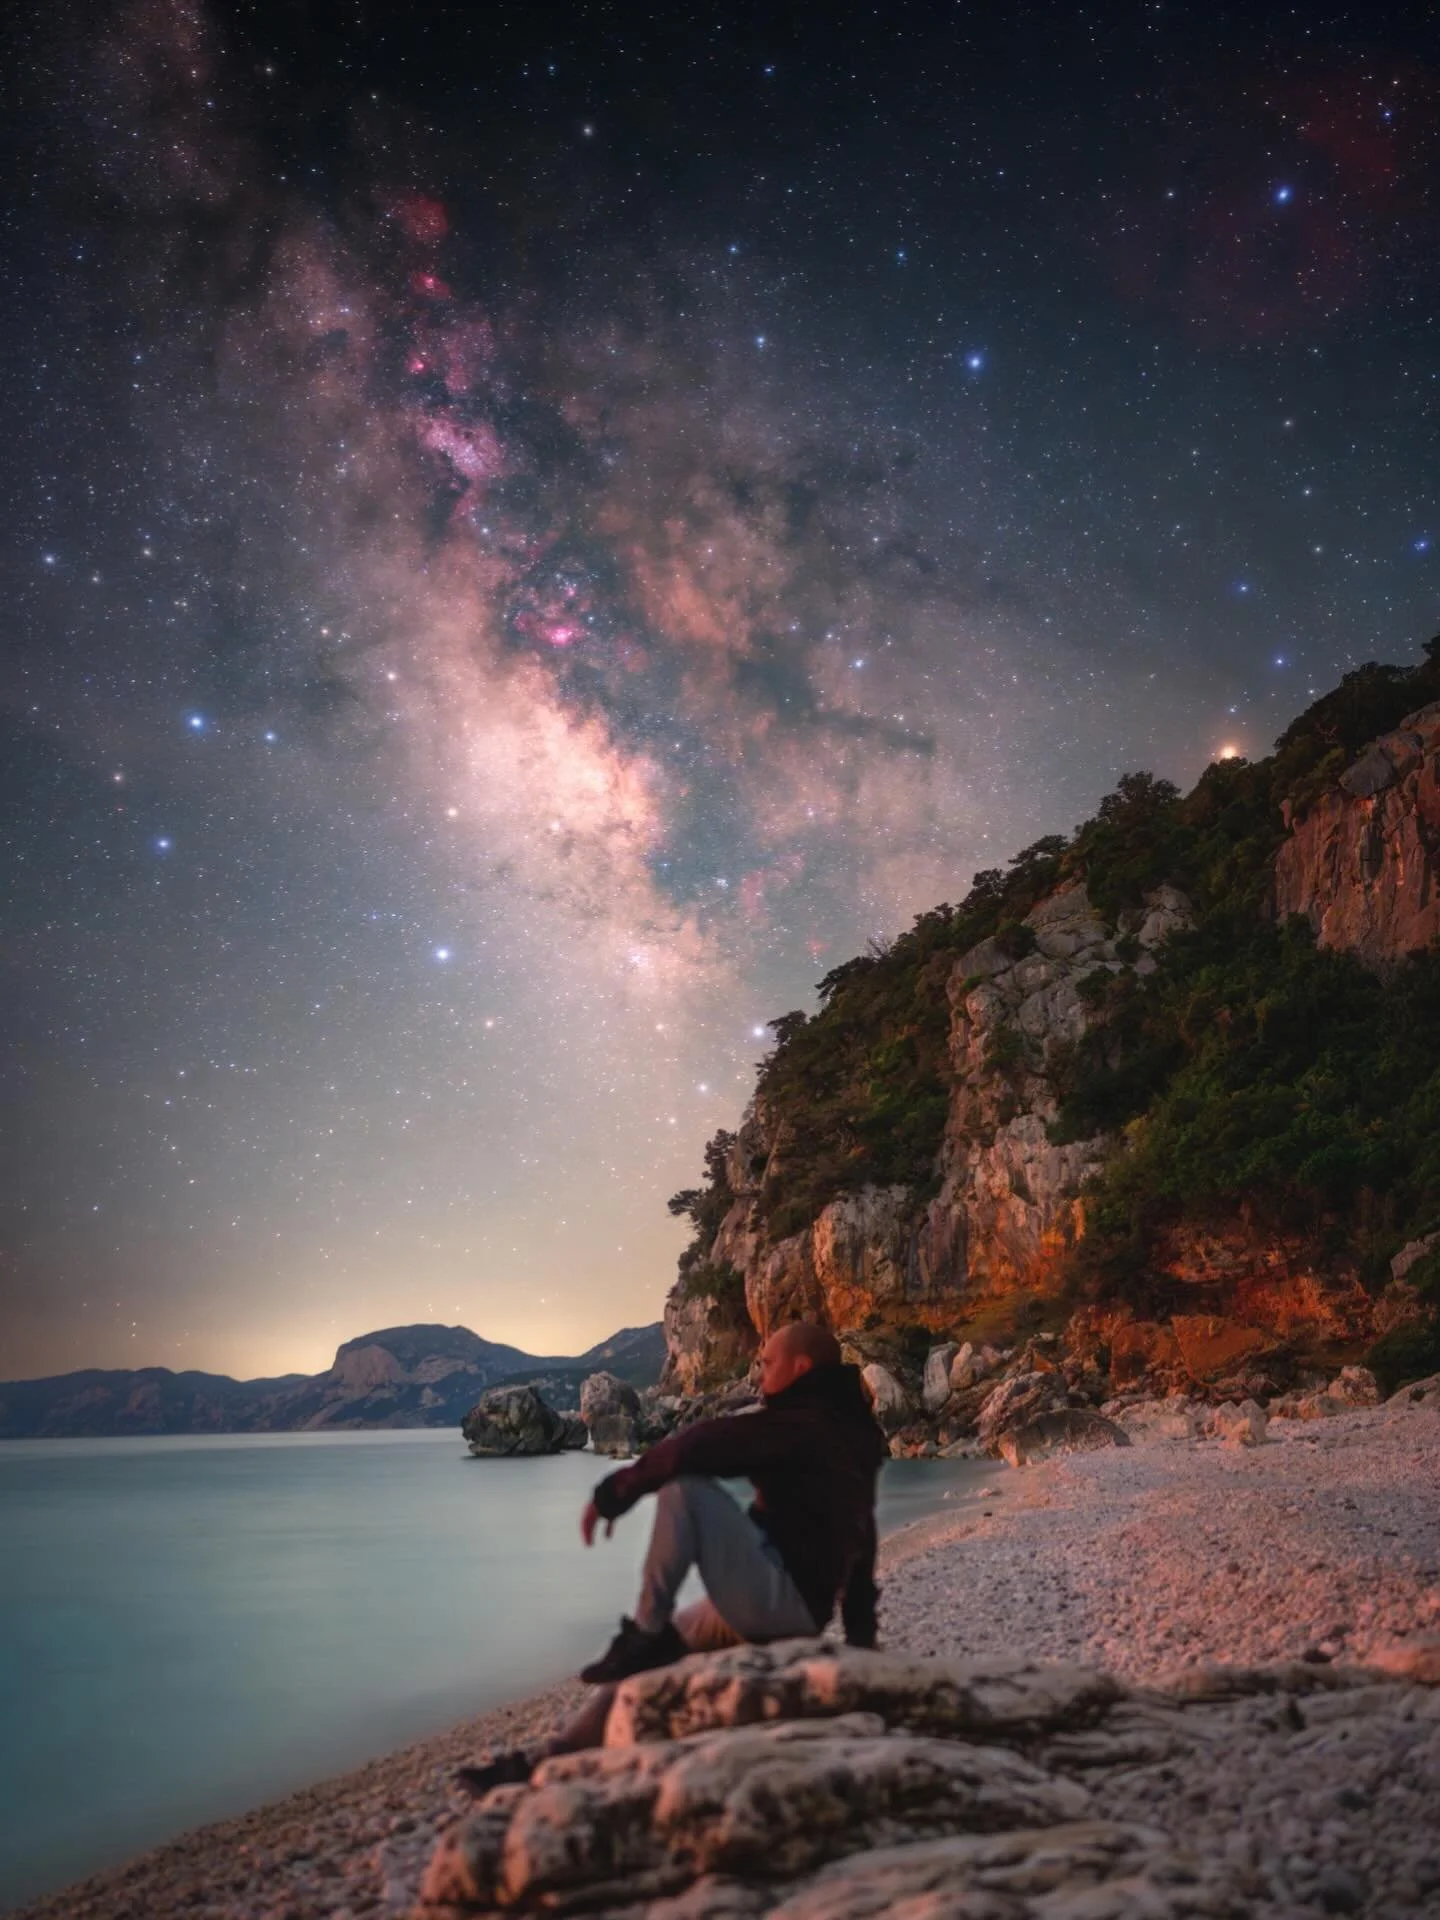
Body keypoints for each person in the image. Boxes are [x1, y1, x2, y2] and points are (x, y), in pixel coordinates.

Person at [455, 1320, 887, 1797]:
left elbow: (698, 1446)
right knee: (640, 1668)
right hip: (785, 1597)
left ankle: (645, 1631)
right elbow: (861, 1531)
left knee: (686, 1491)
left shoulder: (804, 1426)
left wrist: (617, 1491)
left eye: (767, 1363)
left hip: (778, 1599)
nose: (760, 1373)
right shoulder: (850, 1433)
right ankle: (544, 1760)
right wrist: (861, 1639)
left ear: (801, 1368)